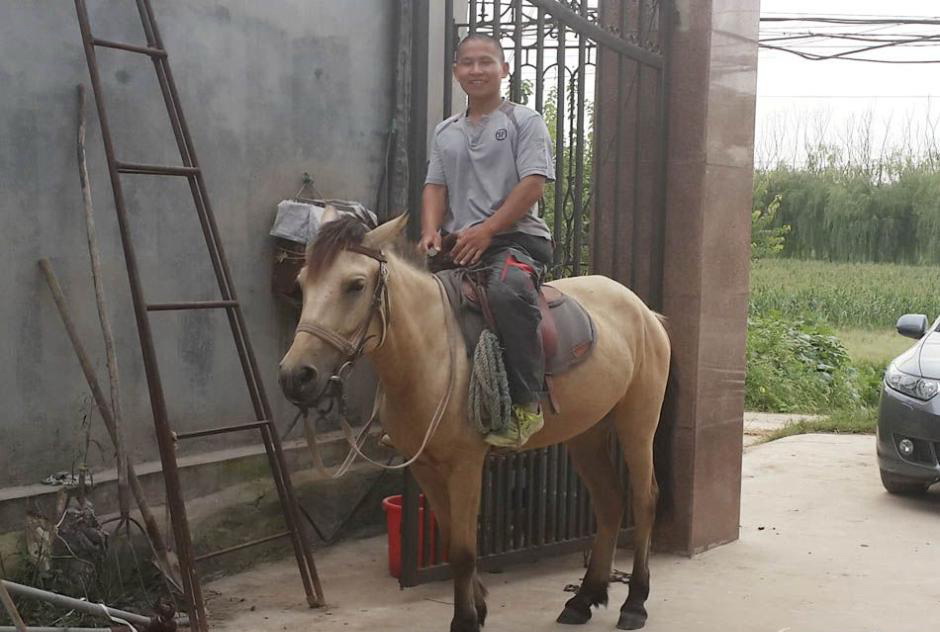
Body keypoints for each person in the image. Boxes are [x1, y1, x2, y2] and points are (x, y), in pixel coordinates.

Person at [420, 33, 555, 448]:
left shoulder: (524, 121)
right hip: (459, 244)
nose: (476, 70)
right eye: (467, 63)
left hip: (515, 240)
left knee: (507, 292)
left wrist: (489, 228)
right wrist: (429, 230)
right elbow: (435, 187)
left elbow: (534, 184)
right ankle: (416, 411)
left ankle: (525, 405)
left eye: (486, 62)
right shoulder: (446, 131)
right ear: (456, 71)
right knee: (405, 302)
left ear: (504, 70)